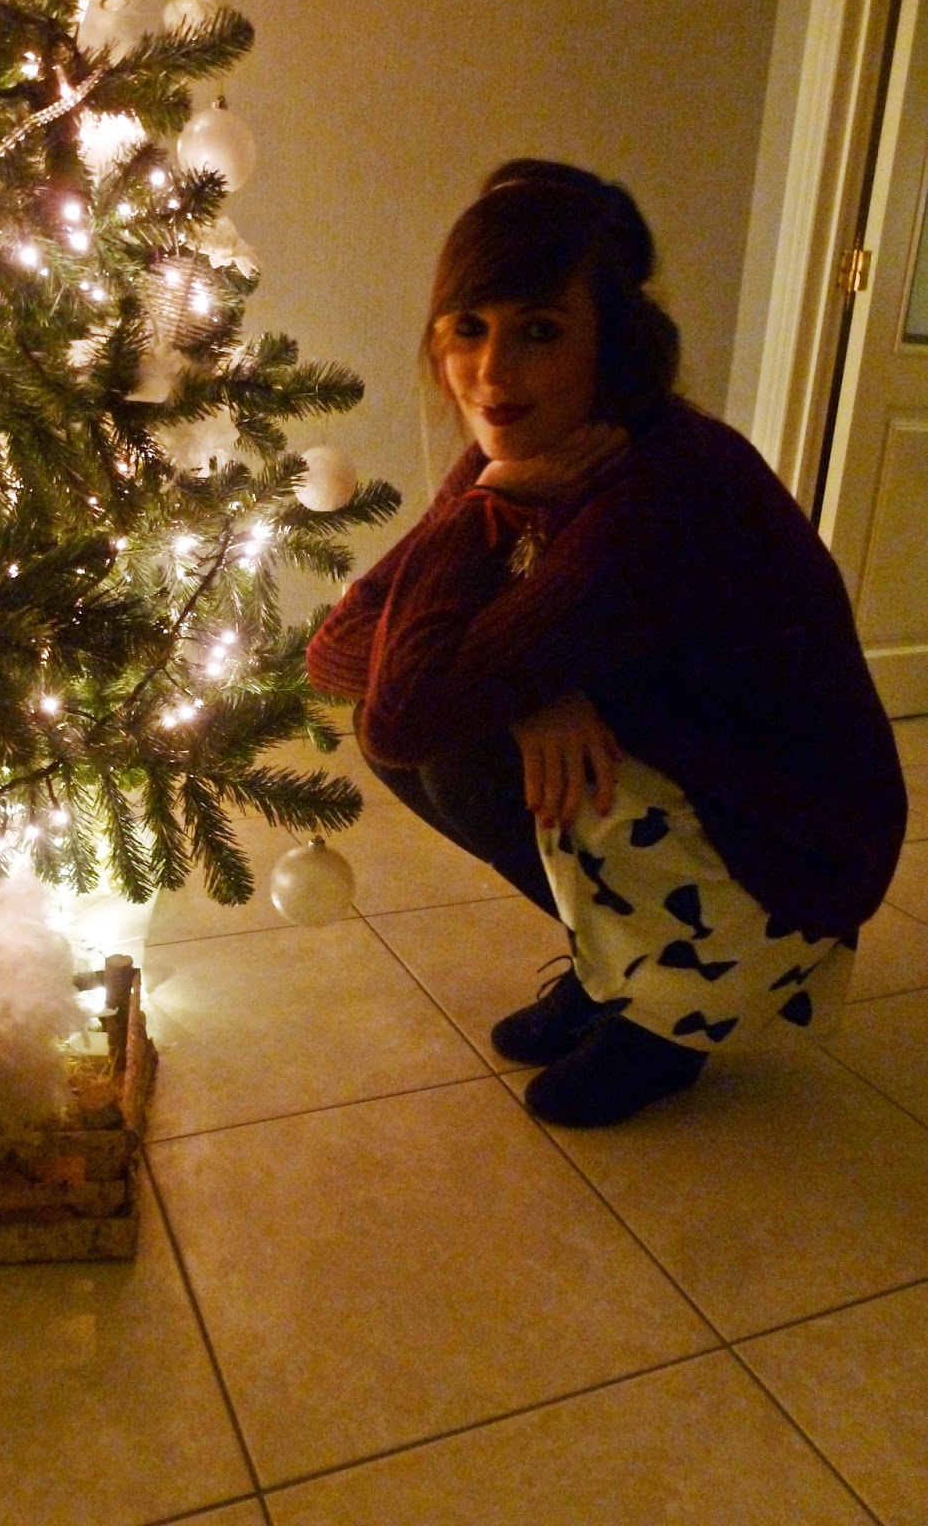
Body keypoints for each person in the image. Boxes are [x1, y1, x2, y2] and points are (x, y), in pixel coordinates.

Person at [306, 159, 908, 1127]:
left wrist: (486, 552)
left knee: (449, 748)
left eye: (540, 331)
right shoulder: (524, 453)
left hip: (791, 850)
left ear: (613, 342)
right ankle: (614, 965)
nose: (491, 374)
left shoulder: (659, 489)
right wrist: (532, 685)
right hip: (689, 775)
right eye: (469, 327)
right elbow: (336, 648)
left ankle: (670, 1020)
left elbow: (405, 714)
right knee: (445, 735)